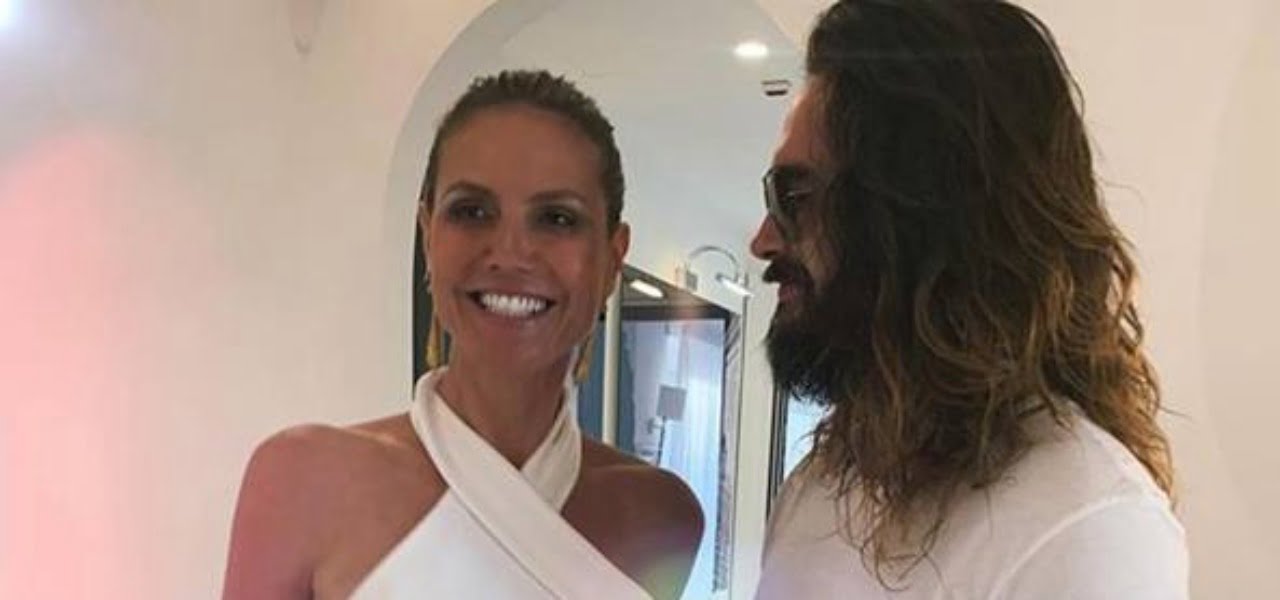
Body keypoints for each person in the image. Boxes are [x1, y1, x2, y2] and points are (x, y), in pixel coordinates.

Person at [750, 1, 1187, 598]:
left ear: (917, 215)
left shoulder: (1086, 527)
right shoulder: (822, 482)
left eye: (795, 196)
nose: (763, 239)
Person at [222, 70, 703, 599]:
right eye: (472, 212)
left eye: (557, 219)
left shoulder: (663, 517)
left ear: (613, 257)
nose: (510, 253)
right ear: (428, 234)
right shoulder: (304, 481)